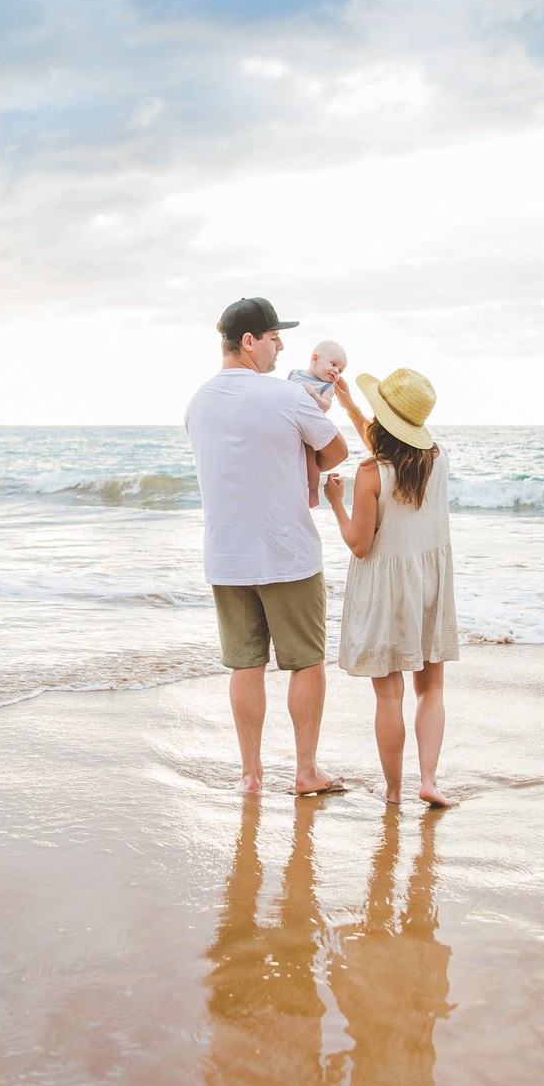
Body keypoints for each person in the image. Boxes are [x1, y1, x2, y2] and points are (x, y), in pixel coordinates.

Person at [185, 297, 351, 796]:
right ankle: (305, 772)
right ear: (249, 342)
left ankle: (251, 776)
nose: (283, 345)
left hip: (227, 554)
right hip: (287, 551)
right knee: (306, 662)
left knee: (245, 664)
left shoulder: (197, 402)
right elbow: (337, 450)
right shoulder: (284, 396)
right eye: (275, 337)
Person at [324, 368, 459, 807]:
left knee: (389, 694)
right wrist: (350, 407)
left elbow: (360, 546)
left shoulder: (369, 474)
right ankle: (430, 781)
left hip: (386, 590)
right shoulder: (437, 459)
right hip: (428, 586)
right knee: (431, 688)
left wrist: (336, 505)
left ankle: (396, 790)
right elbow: (394, 450)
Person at [285, 340, 348, 507]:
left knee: (310, 460)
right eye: (333, 364)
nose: (336, 371)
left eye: (340, 370)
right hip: (289, 425)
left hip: (308, 429)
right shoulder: (294, 374)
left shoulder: (327, 386)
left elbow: (326, 406)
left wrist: (315, 396)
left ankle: (312, 492)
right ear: (315, 359)